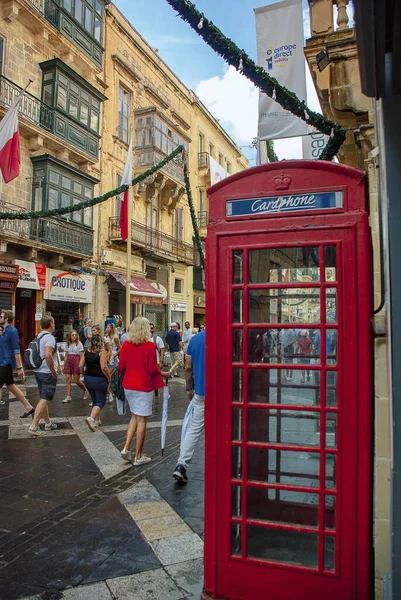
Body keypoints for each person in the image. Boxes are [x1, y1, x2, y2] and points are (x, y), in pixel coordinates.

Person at [118, 317, 170, 466]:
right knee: (142, 420)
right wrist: (163, 374)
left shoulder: (126, 344)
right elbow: (152, 369)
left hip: (128, 384)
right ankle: (138, 455)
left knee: (134, 416)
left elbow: (121, 366)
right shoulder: (149, 346)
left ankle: (126, 448)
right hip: (143, 385)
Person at [173, 326, 206, 483]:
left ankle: (181, 465)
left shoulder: (195, 339)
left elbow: (187, 367)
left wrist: (188, 388)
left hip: (201, 392)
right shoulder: (227, 336)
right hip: (223, 394)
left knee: (194, 429)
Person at [0, 311, 34, 417]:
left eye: (1, 316)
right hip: (3, 362)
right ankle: (28, 407)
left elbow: (16, 350)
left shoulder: (12, 331)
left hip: (5, 363)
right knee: (11, 386)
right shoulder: (3, 330)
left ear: (6, 319)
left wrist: (19, 367)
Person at [29, 316, 58, 436]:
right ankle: (33, 426)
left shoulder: (39, 336)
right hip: (46, 372)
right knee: (45, 399)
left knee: (43, 397)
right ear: (51, 323)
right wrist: (53, 371)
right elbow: (47, 355)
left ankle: (47, 423)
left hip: (38, 371)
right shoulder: (49, 338)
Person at [81, 335, 110, 431]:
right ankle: (91, 418)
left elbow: (80, 365)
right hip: (99, 379)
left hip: (88, 378)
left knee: (95, 400)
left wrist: (83, 374)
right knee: (100, 401)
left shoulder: (87, 351)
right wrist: (108, 377)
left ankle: (97, 421)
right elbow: (103, 367)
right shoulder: (102, 353)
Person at [62, 330, 88, 403]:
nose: (74, 336)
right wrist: (64, 364)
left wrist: (81, 364)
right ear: (70, 336)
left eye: (75, 335)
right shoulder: (68, 344)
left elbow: (82, 355)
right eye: (72, 335)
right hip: (69, 360)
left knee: (76, 380)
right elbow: (66, 355)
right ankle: (68, 396)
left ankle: (85, 390)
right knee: (68, 379)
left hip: (76, 360)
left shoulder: (79, 344)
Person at [104, 322, 121, 403]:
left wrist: (115, 355)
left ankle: (108, 393)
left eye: (108, 327)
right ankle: (109, 392)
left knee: (109, 376)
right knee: (107, 375)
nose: (107, 328)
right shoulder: (106, 337)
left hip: (113, 358)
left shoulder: (115, 337)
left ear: (111, 329)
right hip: (107, 357)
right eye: (106, 327)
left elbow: (120, 348)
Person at [149, 322, 165, 397]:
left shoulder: (158, 339)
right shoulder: (144, 339)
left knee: (155, 379)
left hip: (156, 362)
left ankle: (156, 392)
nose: (150, 329)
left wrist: (161, 361)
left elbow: (162, 350)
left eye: (151, 328)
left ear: (154, 329)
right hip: (147, 363)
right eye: (148, 328)